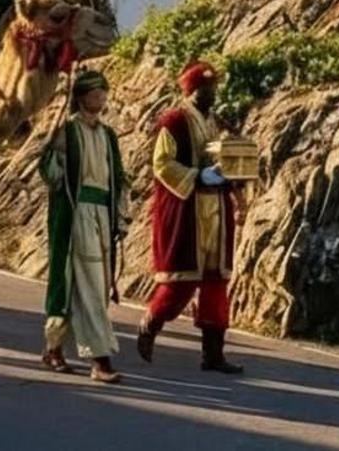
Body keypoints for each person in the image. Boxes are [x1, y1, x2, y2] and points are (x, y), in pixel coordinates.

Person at [137, 61, 245, 374]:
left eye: (214, 87)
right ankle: (150, 325)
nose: (212, 93)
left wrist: (236, 193)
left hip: (215, 211)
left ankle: (213, 355)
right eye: (206, 88)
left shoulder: (216, 121)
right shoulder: (174, 121)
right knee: (181, 281)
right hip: (187, 209)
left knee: (216, 283)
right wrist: (198, 177)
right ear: (191, 90)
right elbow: (162, 163)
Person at [37, 70, 128, 384]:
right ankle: (100, 360)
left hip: (102, 214)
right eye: (95, 94)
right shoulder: (67, 130)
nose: (101, 99)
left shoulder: (108, 135)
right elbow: (51, 176)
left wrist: (120, 216)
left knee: (93, 285)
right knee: (84, 284)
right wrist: (54, 148)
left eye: (104, 94)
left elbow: (118, 177)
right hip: (75, 215)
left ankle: (53, 349)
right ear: (81, 97)